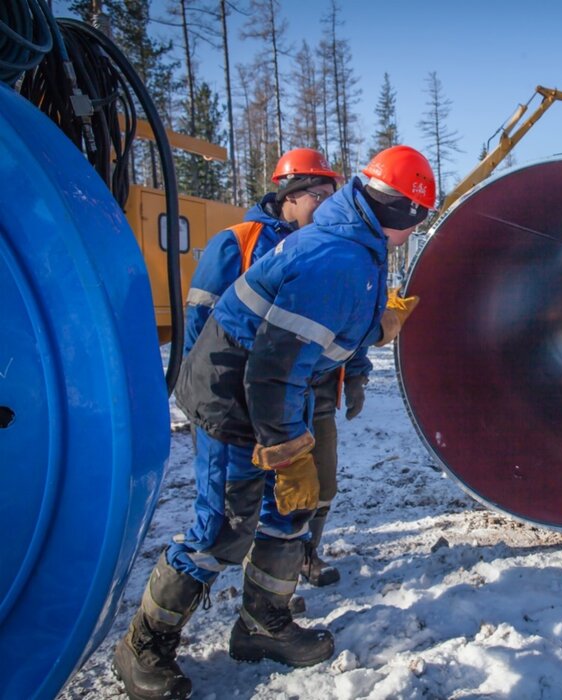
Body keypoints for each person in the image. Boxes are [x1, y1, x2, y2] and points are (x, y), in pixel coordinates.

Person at [112, 145, 434, 700]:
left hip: (275, 387)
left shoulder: (363, 246)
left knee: (289, 508)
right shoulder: (337, 256)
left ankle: (264, 623)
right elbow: (271, 368)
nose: (414, 233)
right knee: (224, 528)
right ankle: (144, 643)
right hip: (234, 393)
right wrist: (285, 452)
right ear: (401, 213)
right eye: (418, 221)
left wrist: (371, 340)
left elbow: (327, 335)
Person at [182, 147, 363, 588]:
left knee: (312, 487)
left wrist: (355, 372)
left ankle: (296, 565)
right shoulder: (237, 243)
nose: (326, 205)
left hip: (309, 393)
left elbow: (345, 319)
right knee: (234, 511)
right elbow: (201, 327)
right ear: (289, 194)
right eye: (318, 194)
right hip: (243, 400)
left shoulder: (328, 248)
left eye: (331, 195)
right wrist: (206, 404)